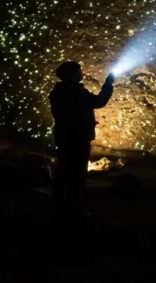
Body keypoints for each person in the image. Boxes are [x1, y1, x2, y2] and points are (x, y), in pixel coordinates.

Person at [49, 61, 114, 220]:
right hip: (78, 138)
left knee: (63, 172)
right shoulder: (77, 92)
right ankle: (73, 212)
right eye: (79, 71)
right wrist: (108, 84)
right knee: (77, 175)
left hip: (64, 137)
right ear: (71, 75)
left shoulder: (58, 91)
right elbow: (99, 102)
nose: (81, 73)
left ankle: (58, 208)